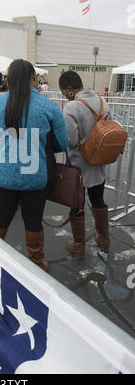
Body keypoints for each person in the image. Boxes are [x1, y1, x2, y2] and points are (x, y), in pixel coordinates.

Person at [0, 59, 69, 271]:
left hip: (3, 174)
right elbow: (62, 144)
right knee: (33, 221)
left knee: (0, 218)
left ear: (8, 79)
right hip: (36, 176)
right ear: (33, 77)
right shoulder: (48, 106)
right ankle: (37, 263)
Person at [58, 70, 112, 255]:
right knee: (98, 201)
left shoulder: (72, 108)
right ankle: (104, 239)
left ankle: (79, 245)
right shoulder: (103, 101)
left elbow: (70, 140)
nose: (64, 96)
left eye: (64, 92)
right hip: (99, 164)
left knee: (77, 205)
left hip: (79, 167)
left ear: (70, 89)